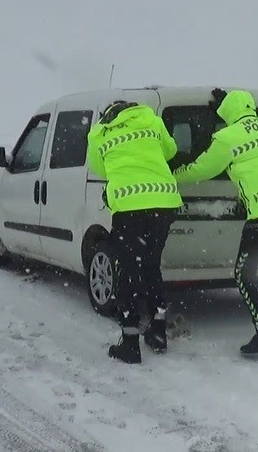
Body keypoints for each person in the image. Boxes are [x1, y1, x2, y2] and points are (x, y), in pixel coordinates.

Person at [173, 88, 258, 361]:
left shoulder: (226, 138)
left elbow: (203, 169)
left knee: (244, 274)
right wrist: (230, 105)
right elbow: (248, 128)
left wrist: (175, 174)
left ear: (227, 113)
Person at [86, 100, 184, 364]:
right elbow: (171, 150)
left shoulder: (100, 133)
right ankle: (158, 332)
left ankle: (130, 343)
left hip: (130, 208)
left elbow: (99, 168)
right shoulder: (151, 120)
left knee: (129, 271)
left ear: (108, 113)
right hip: (163, 205)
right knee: (151, 266)